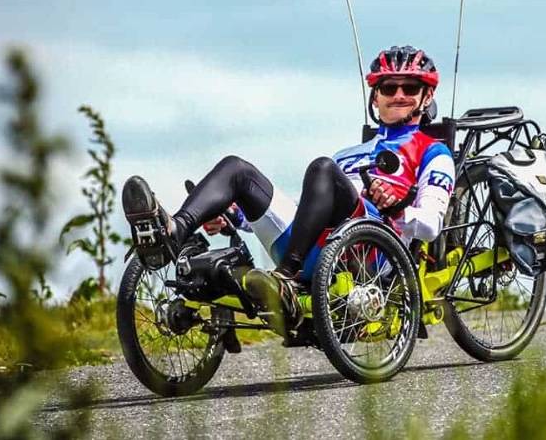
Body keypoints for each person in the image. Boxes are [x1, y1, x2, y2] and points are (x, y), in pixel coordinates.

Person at [121, 45, 456, 329]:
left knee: (322, 169)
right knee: (237, 170)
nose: (398, 95)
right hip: (313, 248)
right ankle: (172, 233)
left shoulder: (433, 151)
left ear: (426, 96)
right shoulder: (347, 155)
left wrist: (399, 205)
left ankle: (284, 279)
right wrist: (236, 219)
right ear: (375, 96)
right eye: (388, 88)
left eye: (409, 88)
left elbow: (430, 225)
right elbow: (308, 208)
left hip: (369, 254)